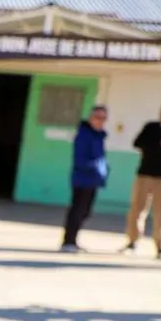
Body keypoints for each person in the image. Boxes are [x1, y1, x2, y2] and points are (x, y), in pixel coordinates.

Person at [61, 105, 109, 253]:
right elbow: (80, 159)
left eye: (103, 118)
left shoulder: (99, 135)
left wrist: (105, 168)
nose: (99, 121)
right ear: (91, 117)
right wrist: (97, 167)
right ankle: (68, 241)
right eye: (97, 117)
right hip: (82, 179)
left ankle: (73, 240)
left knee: (85, 211)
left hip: (93, 180)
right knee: (77, 210)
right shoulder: (83, 134)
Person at [121, 102, 161, 261]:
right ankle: (132, 242)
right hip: (145, 175)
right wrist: (157, 145)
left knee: (160, 213)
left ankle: (160, 246)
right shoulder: (151, 127)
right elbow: (137, 143)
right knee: (137, 209)